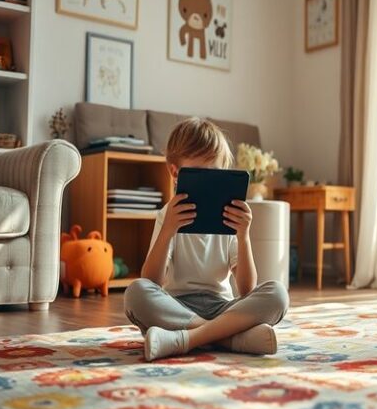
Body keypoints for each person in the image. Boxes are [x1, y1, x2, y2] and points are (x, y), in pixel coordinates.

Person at [124, 118, 289, 361]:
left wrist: (243, 236)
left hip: (222, 308)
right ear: (175, 172)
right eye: (200, 175)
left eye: (216, 174)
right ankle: (230, 338)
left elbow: (246, 289)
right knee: (135, 293)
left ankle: (188, 339)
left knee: (278, 294)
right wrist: (168, 231)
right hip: (177, 307)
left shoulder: (229, 218)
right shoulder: (166, 216)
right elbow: (152, 281)